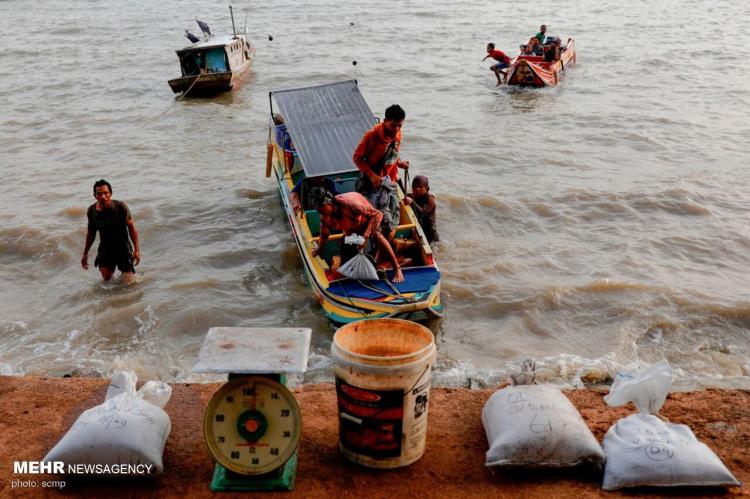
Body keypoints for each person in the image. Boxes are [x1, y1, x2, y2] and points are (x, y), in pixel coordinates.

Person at [310, 188, 405, 283]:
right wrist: (320, 248)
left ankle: (397, 268)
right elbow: (324, 233)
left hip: (368, 223)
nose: (321, 214)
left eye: (322, 211)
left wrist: (365, 236)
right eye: (319, 212)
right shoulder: (325, 217)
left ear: (329, 204)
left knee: (377, 236)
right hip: (350, 231)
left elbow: (377, 215)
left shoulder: (350, 204)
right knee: (344, 249)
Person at [352, 104, 410, 242]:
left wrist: (399, 162)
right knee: (373, 221)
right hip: (372, 183)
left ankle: (379, 256)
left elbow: (392, 154)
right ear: (385, 121)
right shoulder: (371, 136)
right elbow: (357, 158)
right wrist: (372, 176)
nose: (396, 129)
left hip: (389, 181)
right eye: (393, 125)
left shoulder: (398, 134)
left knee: (392, 222)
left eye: (400, 126)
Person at [81, 179, 140, 282]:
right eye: (99, 194)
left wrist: (136, 250)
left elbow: (131, 228)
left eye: (105, 193)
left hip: (123, 247)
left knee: (128, 282)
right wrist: (85, 253)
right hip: (106, 248)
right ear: (95, 196)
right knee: (106, 280)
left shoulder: (121, 207)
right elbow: (91, 233)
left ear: (110, 194)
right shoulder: (92, 211)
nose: (102, 196)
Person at [404, 175, 439, 244]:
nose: (417, 189)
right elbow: (403, 193)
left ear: (426, 188)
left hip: (431, 236)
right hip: (420, 232)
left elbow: (423, 213)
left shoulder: (430, 200)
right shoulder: (413, 196)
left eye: (420, 187)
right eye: (414, 187)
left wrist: (412, 202)